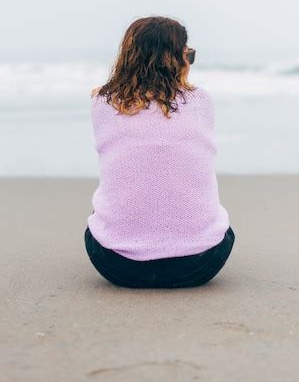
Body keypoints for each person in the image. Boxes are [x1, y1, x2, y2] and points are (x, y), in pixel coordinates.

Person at [84, 15, 235, 288]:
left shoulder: (102, 103)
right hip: (200, 264)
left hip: (118, 266)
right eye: (188, 54)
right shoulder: (202, 101)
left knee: (98, 218)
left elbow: (111, 96)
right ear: (179, 59)